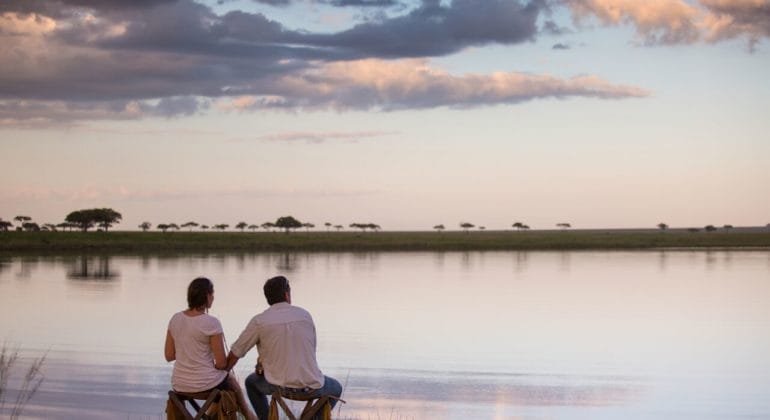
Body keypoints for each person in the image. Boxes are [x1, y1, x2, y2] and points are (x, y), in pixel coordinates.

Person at [226, 275, 342, 419]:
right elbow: (309, 350)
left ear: (268, 298)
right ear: (287, 294)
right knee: (336, 388)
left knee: (251, 382)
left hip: (278, 386)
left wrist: (222, 373)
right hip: (312, 386)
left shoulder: (260, 321)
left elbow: (236, 352)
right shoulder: (305, 315)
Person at [164, 277, 257, 420]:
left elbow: (169, 355)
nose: (213, 298)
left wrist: (189, 352)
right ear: (207, 296)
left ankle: (208, 417)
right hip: (205, 385)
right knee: (231, 382)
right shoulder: (211, 323)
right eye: (212, 294)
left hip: (179, 383)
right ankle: (249, 417)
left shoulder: (175, 319)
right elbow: (221, 364)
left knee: (222, 386)